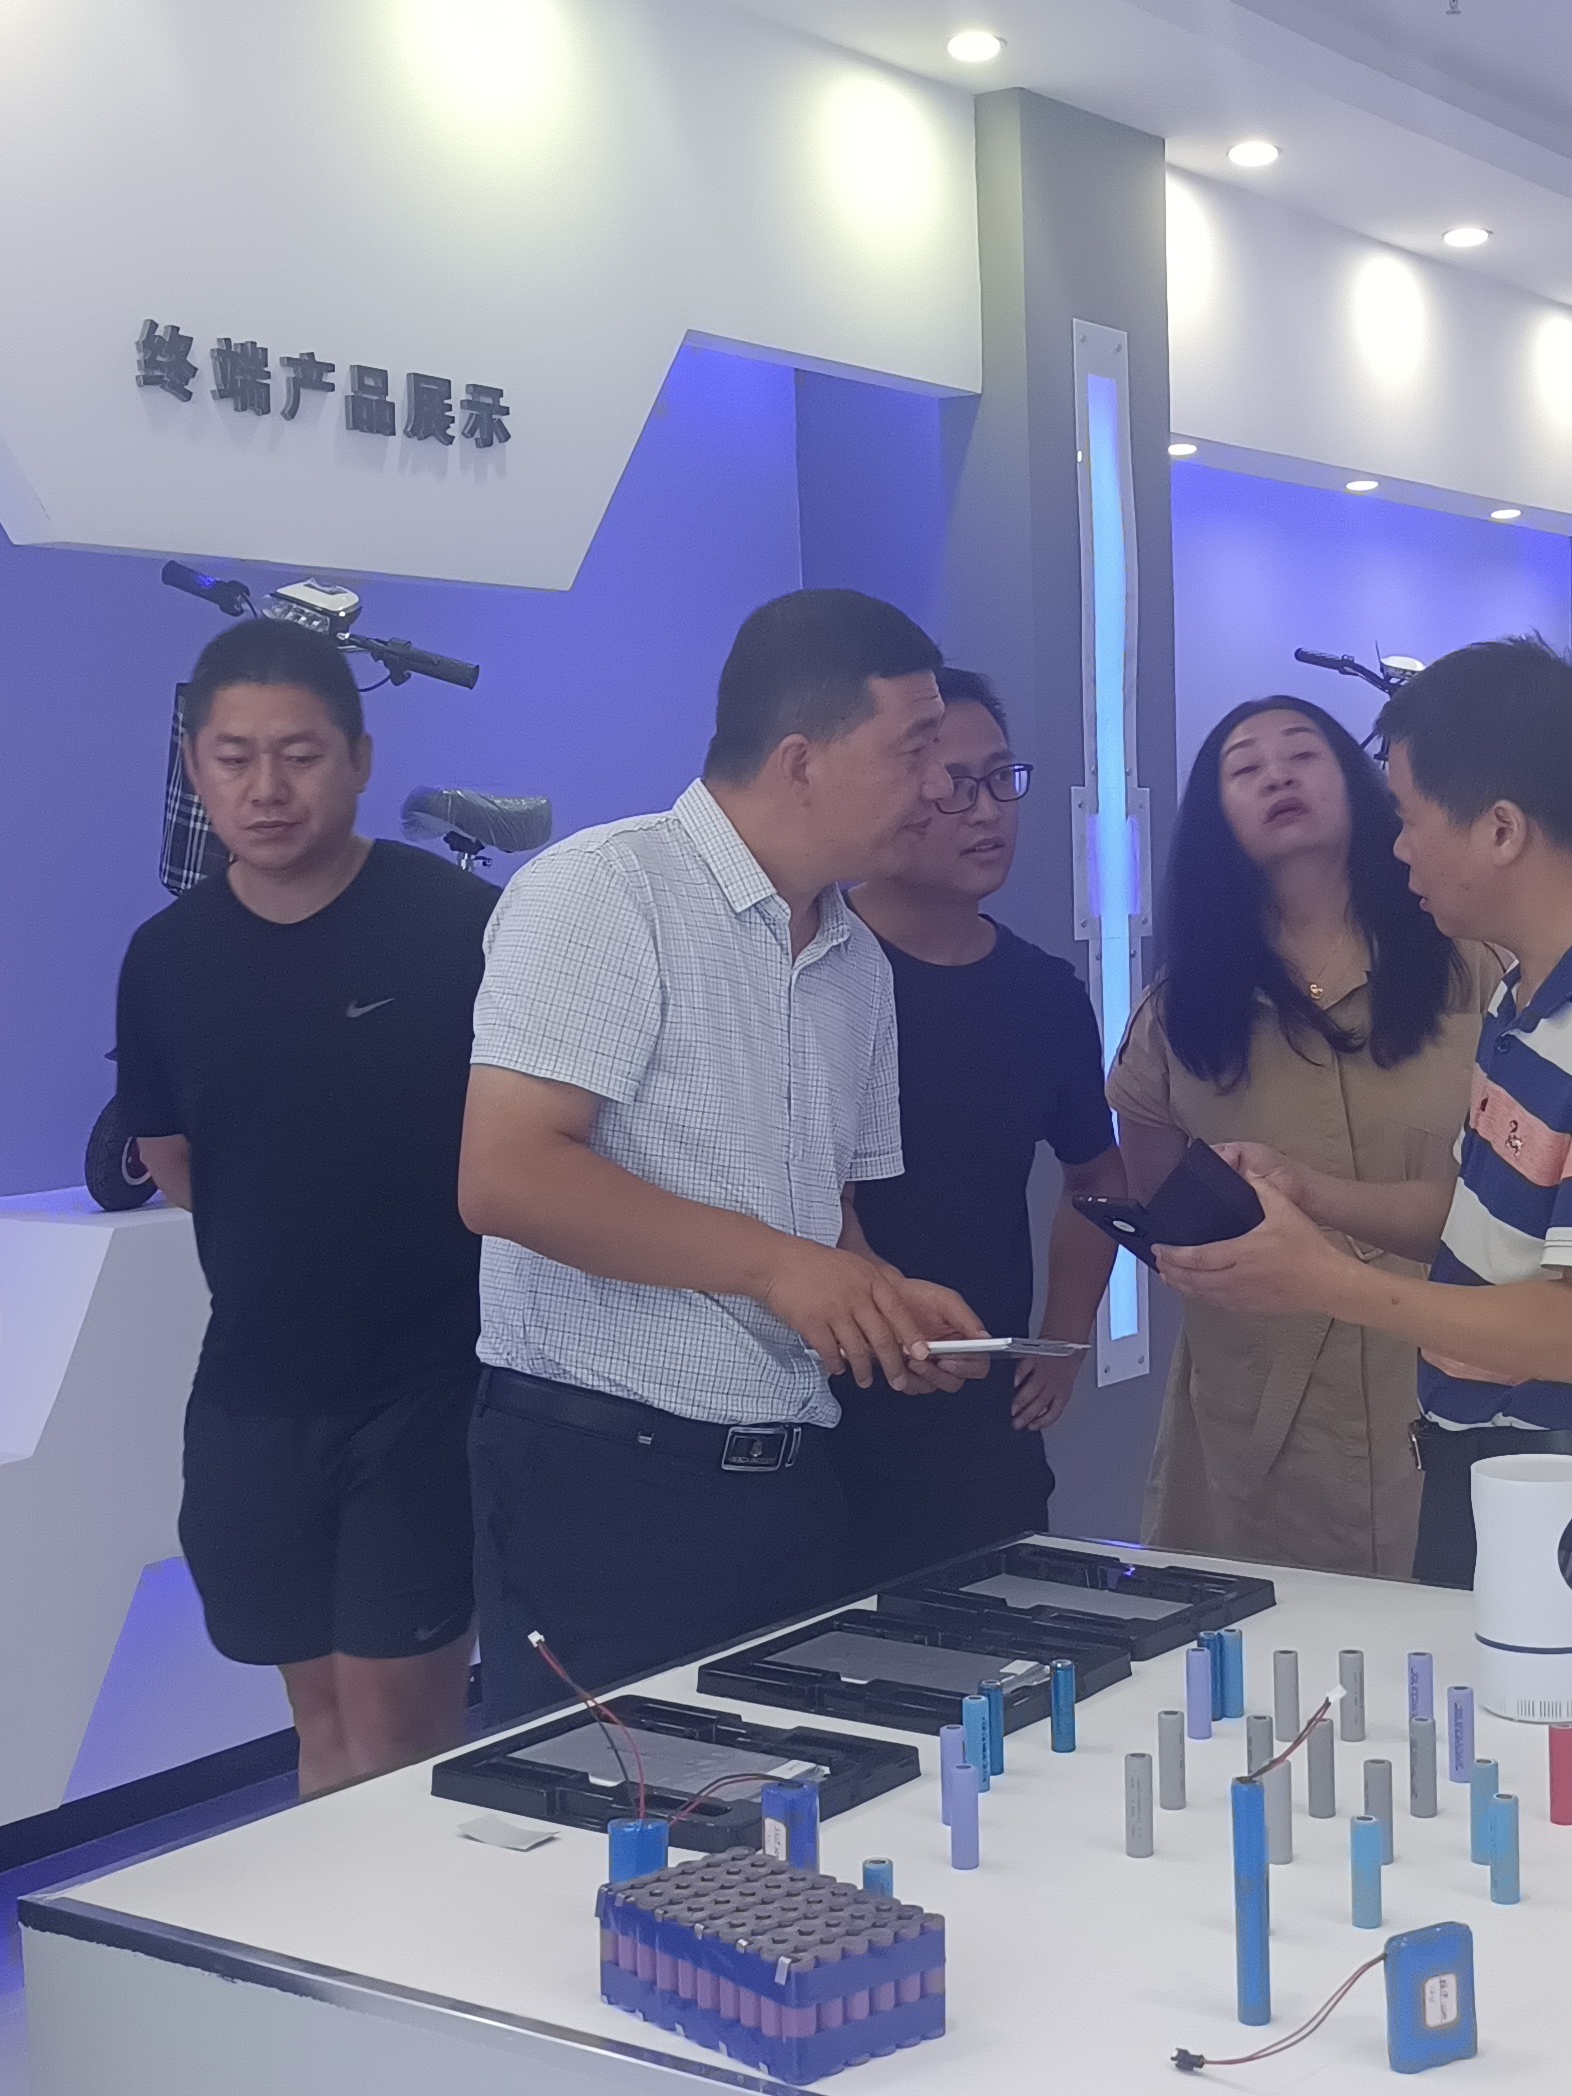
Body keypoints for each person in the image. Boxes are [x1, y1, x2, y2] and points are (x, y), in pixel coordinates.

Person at [459, 589, 990, 1721]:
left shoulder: (856, 960)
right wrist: (782, 1268)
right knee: (617, 1817)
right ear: (801, 759)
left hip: (790, 1480)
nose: (940, 788)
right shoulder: (607, 888)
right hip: (606, 1481)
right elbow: (507, 1174)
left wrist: (879, 1303)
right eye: (914, 751)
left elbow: (819, 1216)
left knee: (787, 1808)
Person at [1154, 638, 1572, 1617]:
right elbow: (1485, 1221)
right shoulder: (1532, 995)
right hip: (1498, 1476)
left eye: (1408, 817)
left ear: (1501, 830)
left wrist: (1326, 1280)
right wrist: (1314, 1196)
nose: (1396, 848)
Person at [114, 618, 495, 1796]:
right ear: (195, 766)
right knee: (319, 1727)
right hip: (253, 1393)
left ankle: (413, 1917)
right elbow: (172, 1154)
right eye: (234, 758)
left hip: (426, 1390)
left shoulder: (456, 925)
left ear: (360, 759)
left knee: (397, 1741)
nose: (266, 789)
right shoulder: (165, 956)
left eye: (300, 754)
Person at [1108, 697, 1493, 1578]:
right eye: (1244, 767)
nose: (1277, 775)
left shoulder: (1468, 965)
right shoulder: (1181, 1011)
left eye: (1302, 754)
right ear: (1216, 820)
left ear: (1360, 785)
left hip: (1443, 1366)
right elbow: (1162, 1202)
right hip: (1261, 1404)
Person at [833, 669, 1121, 1588]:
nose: (987, 810)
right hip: (818, 1415)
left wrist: (1064, 1339)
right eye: (953, 785)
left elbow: (1098, 1176)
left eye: (1001, 778)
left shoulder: (1044, 995)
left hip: (978, 1421)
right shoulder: (808, 968)